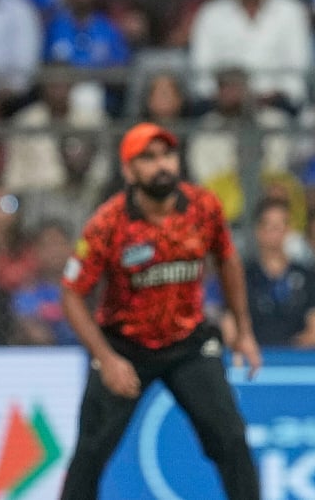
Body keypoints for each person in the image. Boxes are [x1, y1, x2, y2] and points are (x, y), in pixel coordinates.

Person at [59, 123, 261, 500]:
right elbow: (71, 294)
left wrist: (243, 328)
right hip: (125, 347)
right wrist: (106, 358)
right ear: (128, 170)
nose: (162, 165)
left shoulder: (203, 207)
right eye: (147, 158)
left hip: (188, 343)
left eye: (167, 155)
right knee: (90, 451)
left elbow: (228, 259)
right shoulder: (108, 223)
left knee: (231, 440)